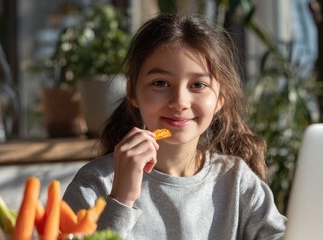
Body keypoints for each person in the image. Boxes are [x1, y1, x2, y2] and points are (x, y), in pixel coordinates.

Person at [63, 13, 287, 239]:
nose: (179, 102)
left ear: (221, 98)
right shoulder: (94, 185)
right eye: (160, 83)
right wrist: (121, 199)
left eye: (198, 85)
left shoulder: (237, 181)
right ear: (132, 92)